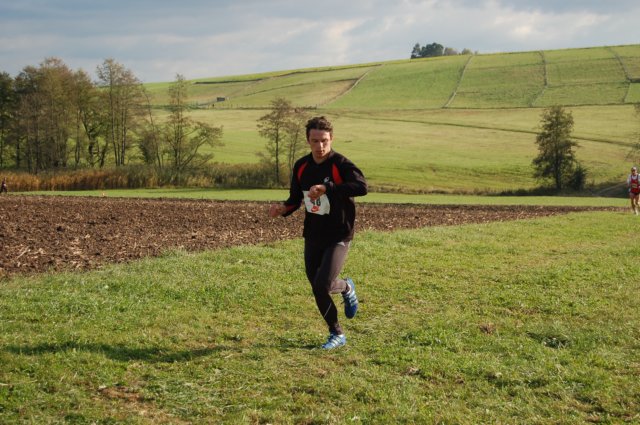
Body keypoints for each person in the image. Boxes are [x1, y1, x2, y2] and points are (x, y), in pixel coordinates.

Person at [269, 116, 368, 350]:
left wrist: (327, 187)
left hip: (339, 234)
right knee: (317, 284)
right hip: (313, 233)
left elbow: (361, 187)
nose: (320, 146)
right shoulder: (302, 166)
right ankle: (346, 287)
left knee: (322, 285)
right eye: (315, 141)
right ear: (308, 140)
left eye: (324, 140)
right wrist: (283, 209)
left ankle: (337, 333)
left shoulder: (340, 164)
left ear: (331, 139)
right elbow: (296, 199)